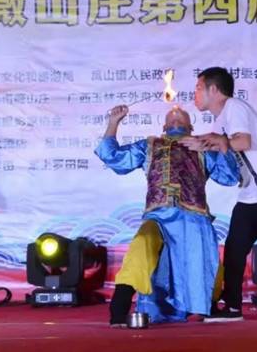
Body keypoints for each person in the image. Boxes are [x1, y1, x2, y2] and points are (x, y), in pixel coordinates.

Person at [95, 105, 239, 326]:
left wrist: (221, 144)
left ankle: (207, 307)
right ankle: (119, 306)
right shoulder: (149, 145)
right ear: (164, 127)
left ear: (191, 127)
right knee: (142, 245)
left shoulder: (202, 147)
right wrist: (114, 122)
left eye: (181, 118)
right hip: (158, 216)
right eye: (171, 119)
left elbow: (230, 177)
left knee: (200, 258)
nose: (176, 116)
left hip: (193, 217)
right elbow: (113, 157)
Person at [181, 67, 257, 322]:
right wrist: (196, 145)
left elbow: (243, 142)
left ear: (213, 90)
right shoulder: (219, 121)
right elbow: (221, 153)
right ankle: (233, 308)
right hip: (250, 195)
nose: (194, 94)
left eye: (198, 88)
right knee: (234, 251)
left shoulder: (234, 107)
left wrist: (212, 141)